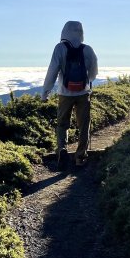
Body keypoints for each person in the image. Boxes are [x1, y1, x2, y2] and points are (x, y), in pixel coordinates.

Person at [41, 21, 98, 169]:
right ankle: (80, 157)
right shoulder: (88, 50)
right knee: (84, 125)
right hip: (83, 93)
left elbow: (52, 71)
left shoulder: (60, 48)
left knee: (62, 124)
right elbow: (93, 72)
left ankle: (62, 150)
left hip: (64, 93)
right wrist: (87, 81)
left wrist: (45, 93)